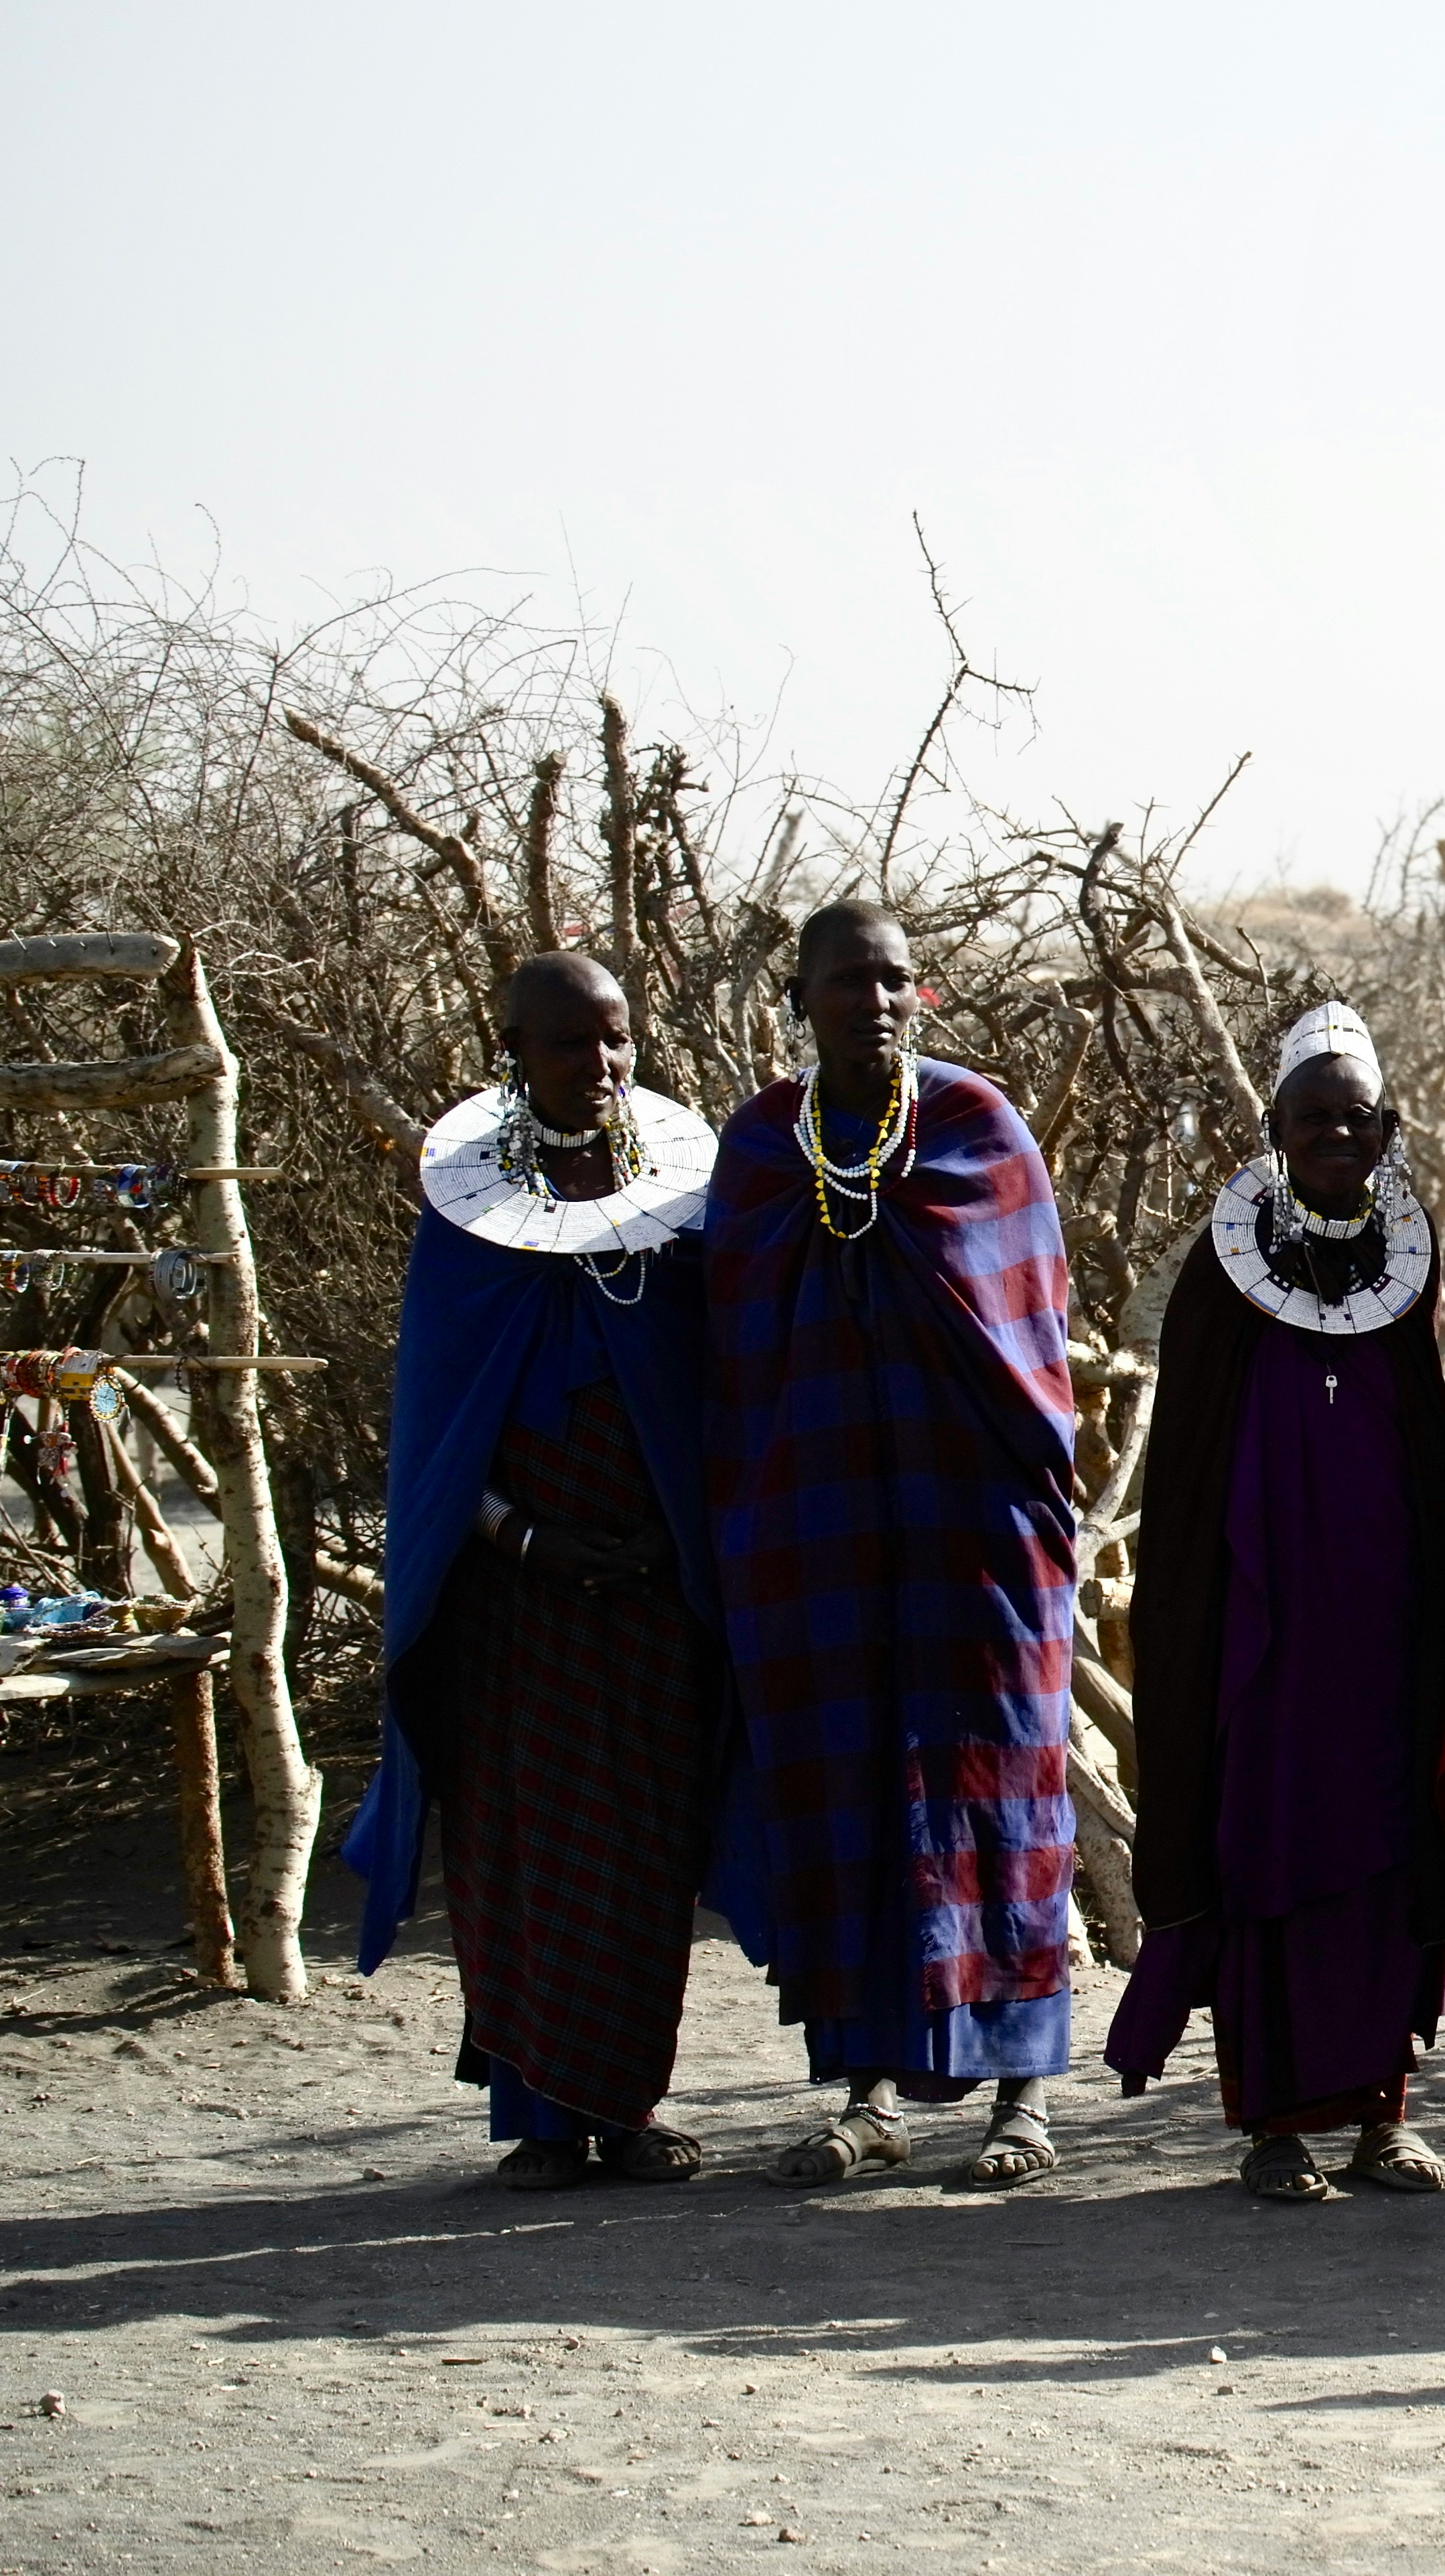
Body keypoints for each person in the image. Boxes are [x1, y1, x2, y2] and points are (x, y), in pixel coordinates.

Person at [343, 953, 748, 2188]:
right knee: (523, 1846)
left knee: (642, 1849)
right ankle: (534, 2115)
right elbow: (435, 1439)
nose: (602, 1066)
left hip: (653, 1596)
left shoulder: (680, 1212)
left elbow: (711, 1392)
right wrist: (529, 1537)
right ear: (510, 1047)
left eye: (619, 1041)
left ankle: (626, 2107)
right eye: (572, 1044)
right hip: (513, 1603)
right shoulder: (466, 1227)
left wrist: (677, 1529)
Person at [707, 902, 1083, 2189]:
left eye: (897, 981)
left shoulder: (978, 1127)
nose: (875, 1000)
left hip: (975, 1529)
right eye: (848, 981)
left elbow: (1025, 1332)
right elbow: (735, 1357)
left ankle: (1022, 2095)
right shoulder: (762, 1148)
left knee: (1002, 1793)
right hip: (820, 1531)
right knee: (848, 1796)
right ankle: (866, 2089)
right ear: (799, 996)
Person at [1107, 1002, 1445, 2202]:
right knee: (1262, 1848)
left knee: (1380, 1852)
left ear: (1388, 1130)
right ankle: (1270, 2124)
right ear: (1274, 1127)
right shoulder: (1223, 1268)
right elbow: (1196, 1460)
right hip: (1259, 1636)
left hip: (1379, 1627)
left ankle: (1382, 2119)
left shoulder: (1408, 1269)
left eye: (1355, 1120)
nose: (1334, 1138)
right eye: (1311, 1119)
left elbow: (1427, 1442)